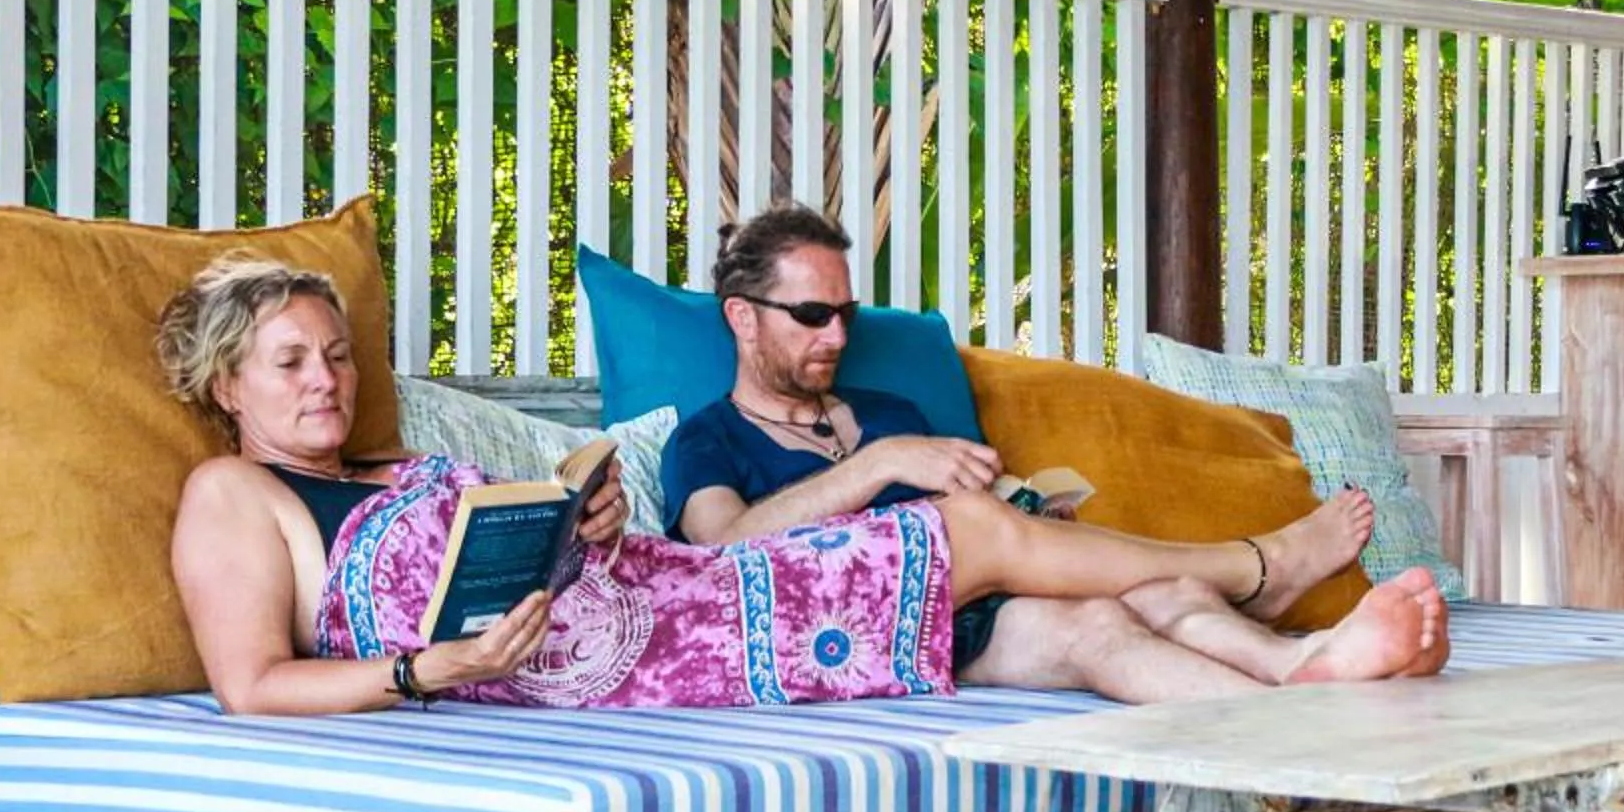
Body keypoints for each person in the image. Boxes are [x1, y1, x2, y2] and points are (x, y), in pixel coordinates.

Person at [159, 255, 1445, 717]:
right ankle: (1259, 571)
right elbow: (252, 685)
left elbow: (515, 549)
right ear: (230, 384)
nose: (324, 380)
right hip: (679, 648)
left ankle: (1302, 679)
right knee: (956, 528)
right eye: (290, 362)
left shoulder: (393, 465)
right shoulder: (233, 498)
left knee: (1063, 615)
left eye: (334, 354)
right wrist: (421, 674)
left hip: (669, 590)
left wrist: (584, 517)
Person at [658, 203, 1448, 704]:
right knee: (1012, 545)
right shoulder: (708, 438)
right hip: (863, 630)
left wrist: (1032, 512)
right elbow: (720, 549)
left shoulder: (888, 412)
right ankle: (1257, 568)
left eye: (845, 313)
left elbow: (986, 509)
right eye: (809, 314)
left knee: (1121, 615)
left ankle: (1301, 675)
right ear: (743, 317)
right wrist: (878, 464)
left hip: (981, 615)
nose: (835, 335)